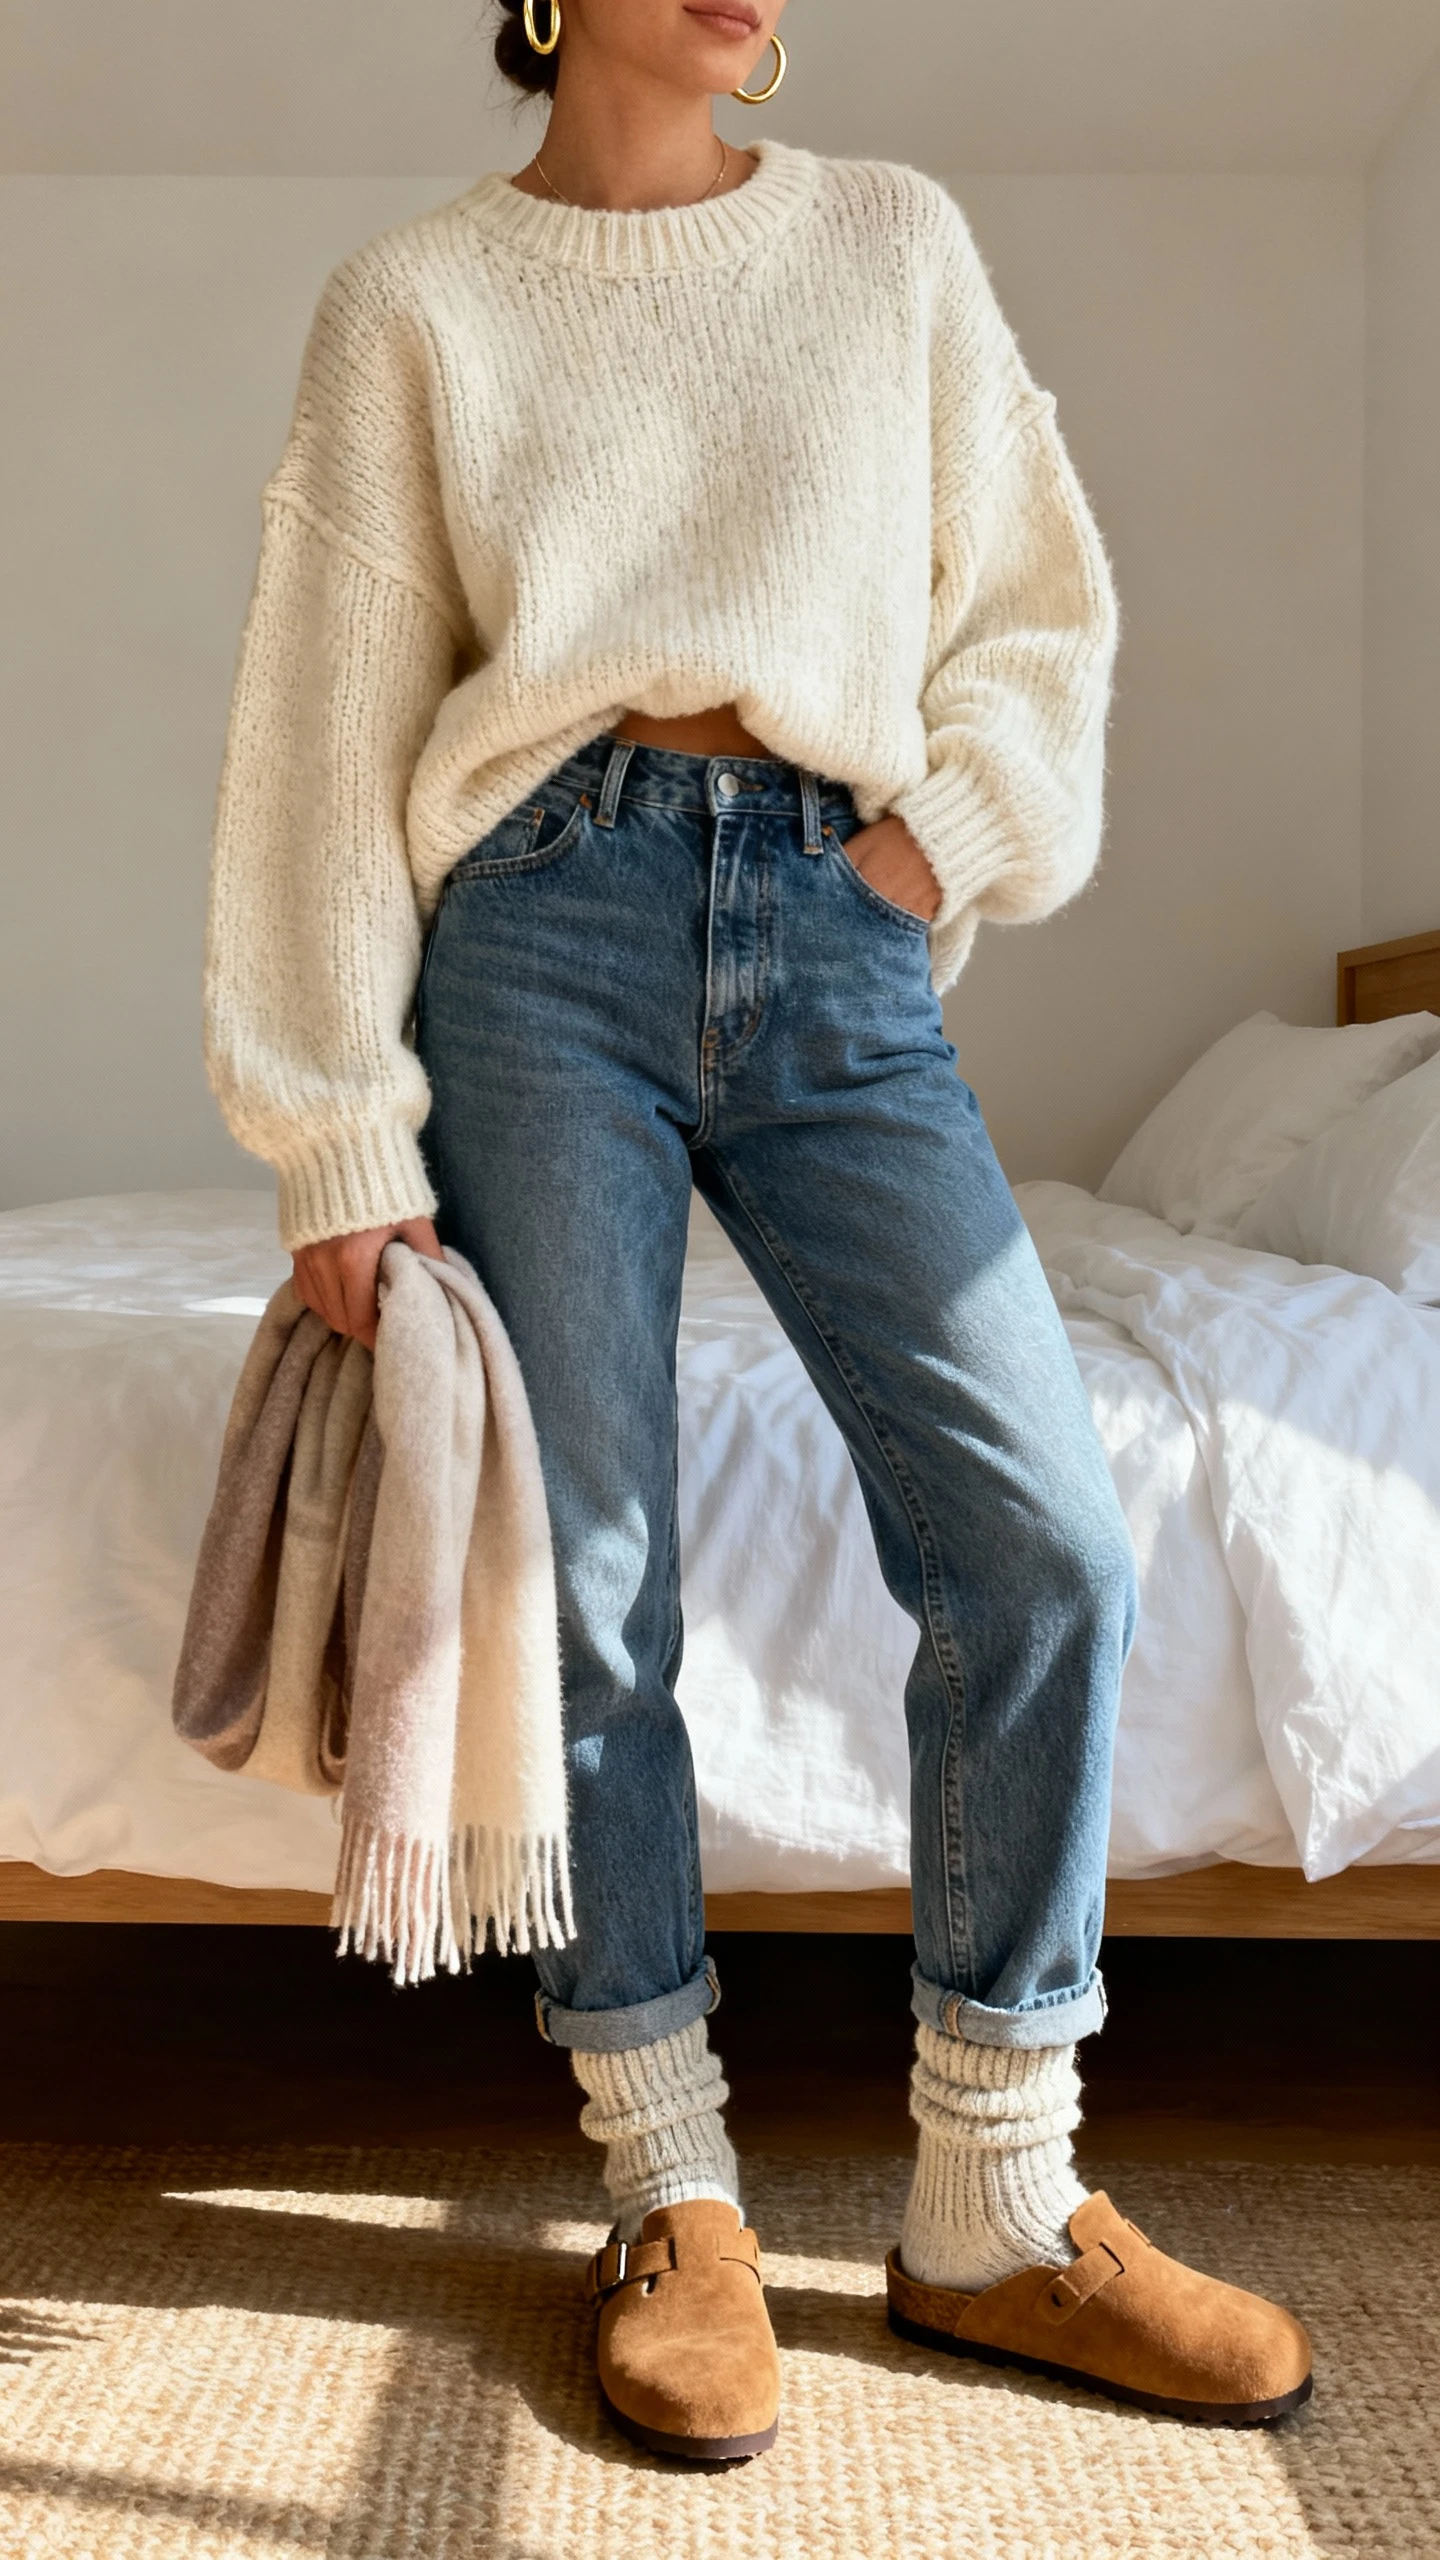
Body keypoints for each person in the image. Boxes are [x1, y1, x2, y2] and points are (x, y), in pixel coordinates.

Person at [204, 0, 1312, 2464]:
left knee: (1045, 1543)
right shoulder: (415, 301)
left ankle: (993, 2203)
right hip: (533, 932)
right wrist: (332, 1136)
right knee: (585, 1577)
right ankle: (670, 2183)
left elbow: (1037, 607)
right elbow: (319, 712)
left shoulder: (891, 245)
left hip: (836, 921)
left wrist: (937, 841)